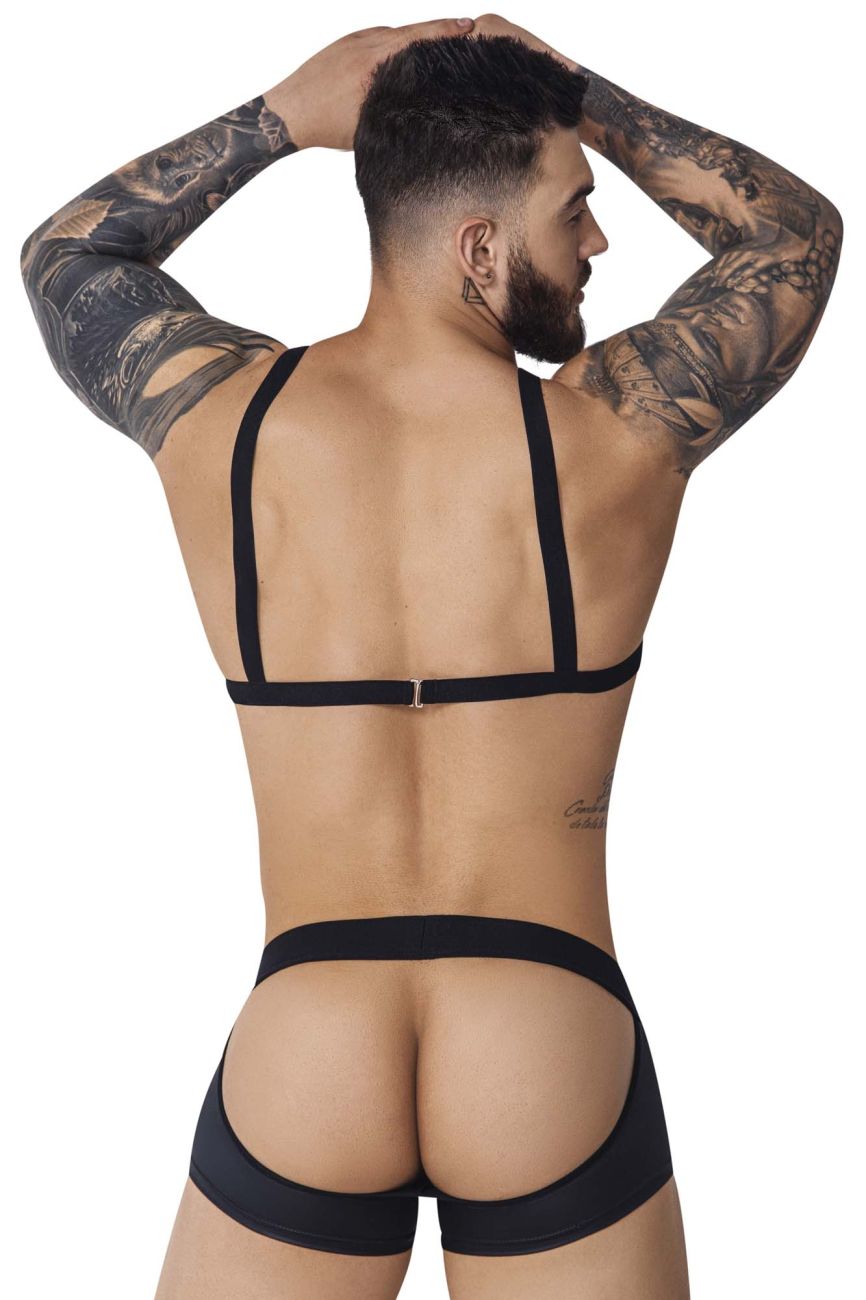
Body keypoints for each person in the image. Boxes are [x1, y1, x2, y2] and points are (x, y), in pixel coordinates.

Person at [19, 13, 843, 1299]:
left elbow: (69, 255)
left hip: (310, 1037)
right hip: (543, 1032)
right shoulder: (614, 434)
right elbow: (791, 238)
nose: (597, 240)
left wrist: (280, 118)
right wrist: (583, 94)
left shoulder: (218, 418)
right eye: (571, 208)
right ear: (477, 248)